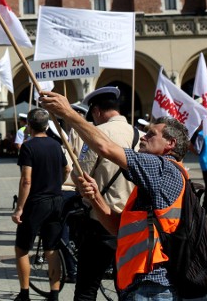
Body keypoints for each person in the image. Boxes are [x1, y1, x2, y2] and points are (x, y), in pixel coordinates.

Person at [40, 90, 189, 301]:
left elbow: (105, 147)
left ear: (170, 144)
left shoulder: (161, 168)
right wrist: (95, 198)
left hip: (153, 284)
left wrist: (68, 114)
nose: (143, 137)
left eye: (151, 134)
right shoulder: (150, 169)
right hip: (140, 277)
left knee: (86, 290)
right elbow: (119, 229)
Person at [72, 87, 136, 301]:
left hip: (100, 221)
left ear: (97, 111)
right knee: (126, 288)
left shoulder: (99, 136)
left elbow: (80, 174)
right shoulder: (141, 135)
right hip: (133, 223)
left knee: (86, 289)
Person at [11, 108, 70, 301]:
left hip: (37, 202)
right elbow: (67, 169)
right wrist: (57, 184)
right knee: (51, 248)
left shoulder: (28, 147)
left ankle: (25, 293)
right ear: (46, 125)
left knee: (22, 249)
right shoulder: (56, 144)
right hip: (56, 200)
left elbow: (26, 180)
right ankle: (54, 294)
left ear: (28, 124)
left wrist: (19, 208)